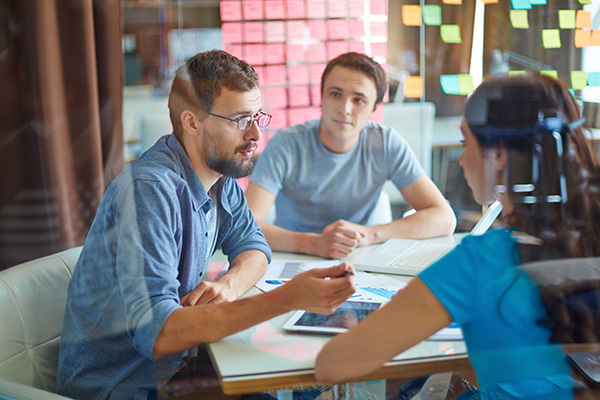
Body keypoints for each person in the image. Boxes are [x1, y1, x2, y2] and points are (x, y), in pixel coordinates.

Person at [56, 50, 355, 400]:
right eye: (241, 119)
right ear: (192, 122)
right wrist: (287, 298)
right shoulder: (148, 192)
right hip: (124, 387)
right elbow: (160, 333)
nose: (257, 133)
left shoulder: (218, 176)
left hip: (177, 371)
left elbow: (254, 246)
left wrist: (228, 286)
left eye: (257, 115)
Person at [315, 74, 600, 397]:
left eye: (466, 144)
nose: (462, 160)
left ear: (499, 155)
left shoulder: (482, 260)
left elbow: (333, 365)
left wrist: (352, 327)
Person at [245, 52, 456, 259]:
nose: (344, 109)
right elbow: (245, 226)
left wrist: (369, 234)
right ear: (322, 97)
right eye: (335, 94)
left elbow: (444, 218)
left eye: (359, 100)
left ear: (374, 108)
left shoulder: (385, 143)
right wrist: (315, 244)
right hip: (293, 260)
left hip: (361, 258)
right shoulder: (287, 145)